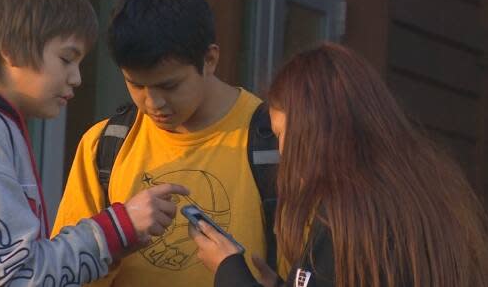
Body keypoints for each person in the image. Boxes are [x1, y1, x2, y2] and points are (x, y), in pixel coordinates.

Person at [0, 0, 188, 286]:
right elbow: (11, 278)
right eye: (66, 59)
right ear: (10, 50)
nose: (77, 77)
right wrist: (118, 227)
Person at [190, 43, 488, 287]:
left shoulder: (344, 217)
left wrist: (228, 271)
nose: (281, 151)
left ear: (315, 131)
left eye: (282, 134)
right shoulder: (419, 191)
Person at [52, 0, 281, 287]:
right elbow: (63, 274)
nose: (153, 102)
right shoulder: (105, 145)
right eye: (136, 84)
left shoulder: (274, 141)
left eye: (169, 85)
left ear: (210, 60)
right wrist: (116, 236)